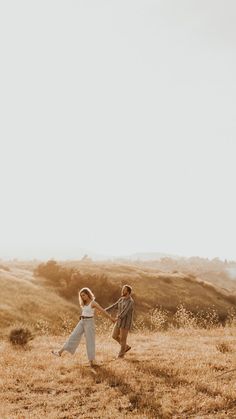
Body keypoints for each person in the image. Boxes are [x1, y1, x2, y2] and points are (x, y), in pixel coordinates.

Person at [52, 287, 116, 367]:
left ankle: (91, 361)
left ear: (88, 294)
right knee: (73, 336)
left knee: (90, 342)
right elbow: (85, 312)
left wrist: (111, 319)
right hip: (82, 321)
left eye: (84, 295)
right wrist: (82, 316)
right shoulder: (84, 304)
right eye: (81, 296)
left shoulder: (93, 303)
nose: (83, 297)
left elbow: (103, 311)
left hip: (89, 323)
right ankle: (60, 352)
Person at [105, 285, 134, 358]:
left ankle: (121, 356)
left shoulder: (130, 301)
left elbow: (124, 312)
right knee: (114, 336)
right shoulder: (121, 299)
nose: (122, 291)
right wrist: (104, 311)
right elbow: (114, 306)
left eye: (124, 290)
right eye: (122, 289)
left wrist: (116, 318)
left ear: (128, 291)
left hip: (125, 323)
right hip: (119, 322)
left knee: (123, 339)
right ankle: (126, 347)